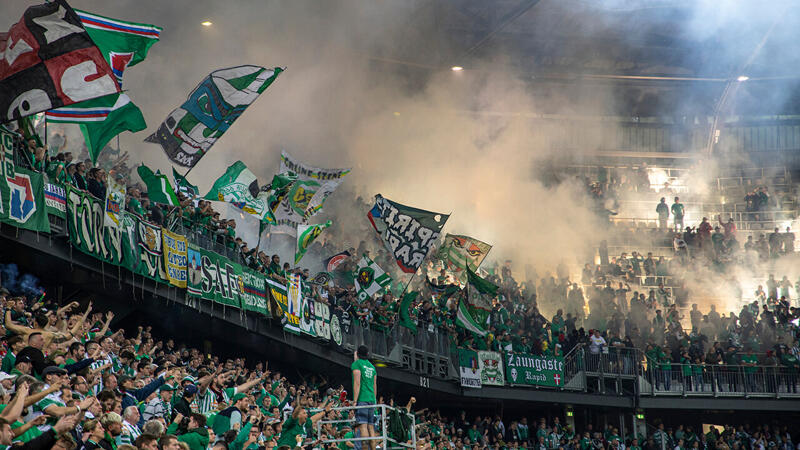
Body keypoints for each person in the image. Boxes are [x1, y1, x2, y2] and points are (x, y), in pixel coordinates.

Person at [351, 345, 377, 450]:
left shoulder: (356, 364)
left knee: (363, 426)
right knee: (371, 427)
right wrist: (374, 401)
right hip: (371, 399)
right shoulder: (372, 366)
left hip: (362, 399)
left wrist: (354, 401)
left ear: (357, 354)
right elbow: (375, 386)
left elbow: (357, 384)